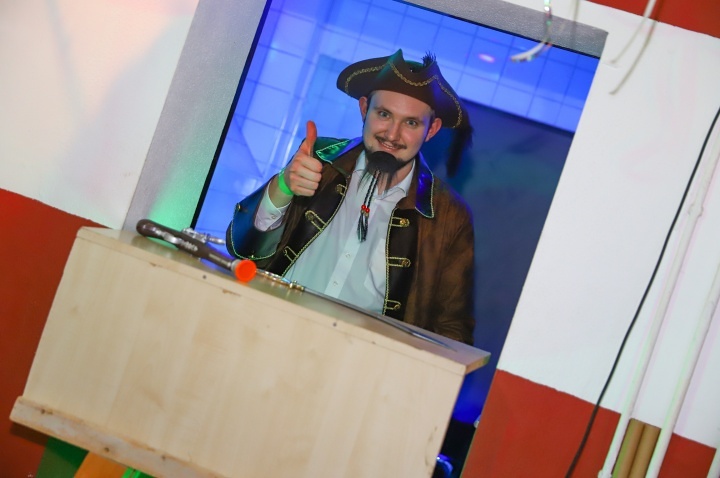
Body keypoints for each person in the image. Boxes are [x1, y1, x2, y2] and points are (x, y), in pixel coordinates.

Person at [226, 49, 475, 345]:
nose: (392, 134)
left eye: (411, 123)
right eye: (384, 114)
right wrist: (283, 185)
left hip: (358, 361)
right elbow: (244, 249)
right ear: (364, 108)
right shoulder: (319, 159)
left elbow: (451, 327)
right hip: (266, 330)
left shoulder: (448, 214)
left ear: (431, 129)